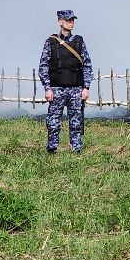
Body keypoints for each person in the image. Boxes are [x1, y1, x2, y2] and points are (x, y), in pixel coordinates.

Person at [38, 10, 93, 153]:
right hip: (56, 89)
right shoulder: (51, 42)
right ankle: (51, 150)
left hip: (76, 90)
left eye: (73, 20)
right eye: (68, 20)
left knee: (76, 122)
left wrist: (86, 87)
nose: (71, 22)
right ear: (60, 22)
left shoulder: (79, 41)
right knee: (53, 122)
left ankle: (76, 150)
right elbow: (43, 66)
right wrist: (47, 88)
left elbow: (87, 64)